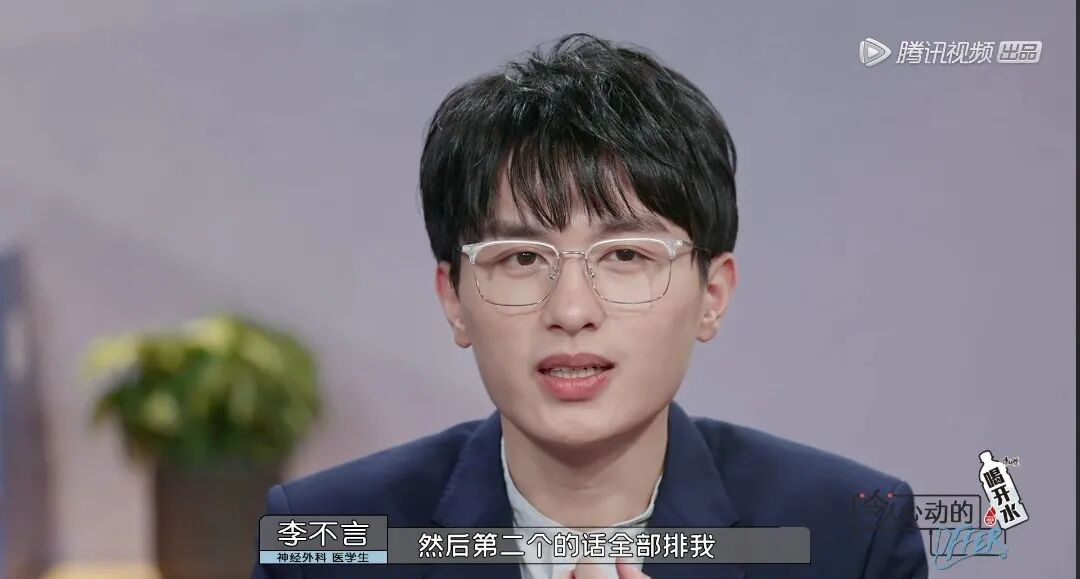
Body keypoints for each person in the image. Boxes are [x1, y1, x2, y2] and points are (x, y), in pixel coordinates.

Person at [251, 33, 927, 579]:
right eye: (522, 258)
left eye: (625, 255)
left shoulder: (847, 536)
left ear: (712, 294)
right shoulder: (324, 538)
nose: (571, 310)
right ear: (454, 299)